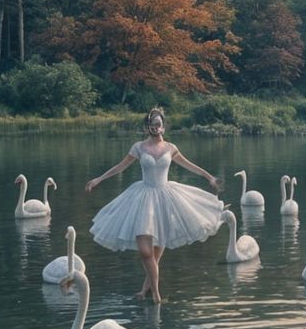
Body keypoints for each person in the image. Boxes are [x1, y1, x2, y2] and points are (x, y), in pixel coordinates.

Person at [85, 107, 223, 303]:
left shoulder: (171, 148)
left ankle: (145, 291)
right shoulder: (139, 147)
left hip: (166, 199)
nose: (155, 127)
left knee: (155, 256)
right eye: (152, 124)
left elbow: (188, 164)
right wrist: (99, 179)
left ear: (163, 127)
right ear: (147, 127)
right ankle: (157, 295)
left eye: (158, 124)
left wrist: (209, 177)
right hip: (143, 198)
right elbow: (120, 166)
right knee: (145, 252)